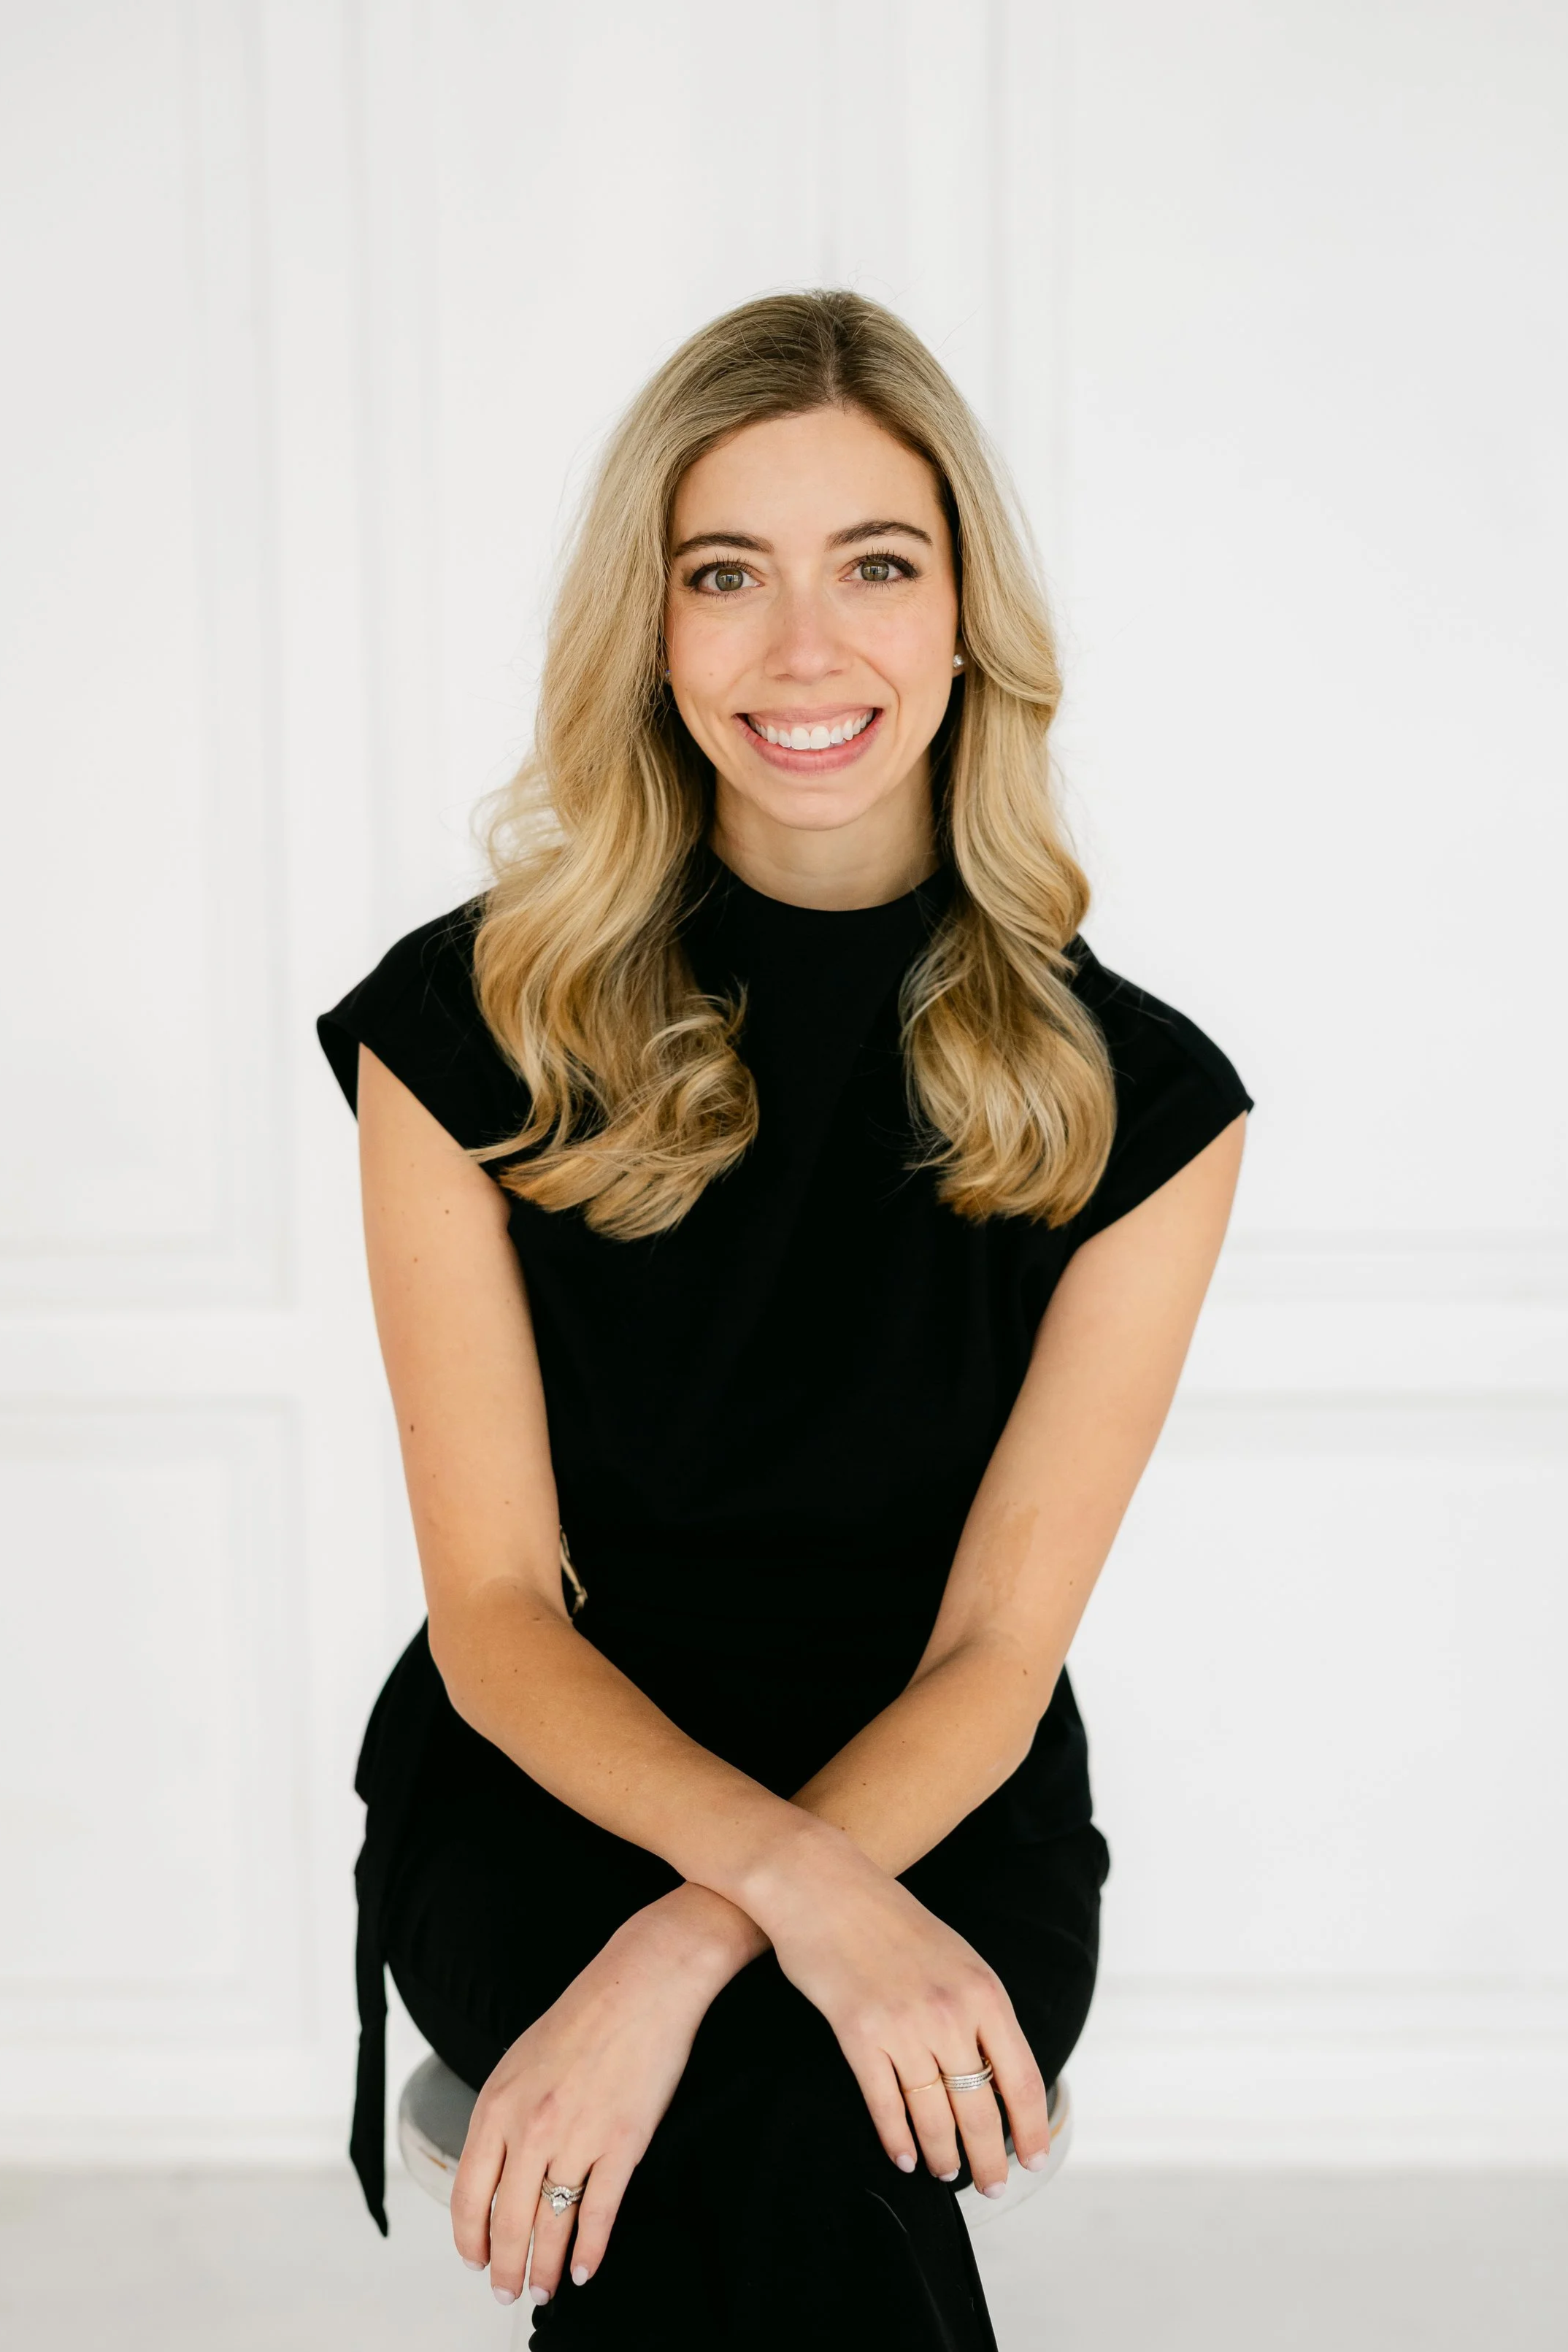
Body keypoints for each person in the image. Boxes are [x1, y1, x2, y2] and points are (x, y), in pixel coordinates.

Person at [316, 288, 1251, 2350]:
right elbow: (492, 1606)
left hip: (941, 1788)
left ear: (962, 620)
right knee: (779, 2132)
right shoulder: (457, 1031)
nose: (802, 648)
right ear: (645, 631)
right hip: (543, 1776)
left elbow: (1001, 1654)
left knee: (744, 2119)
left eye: (876, 567)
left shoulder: (1148, 1106)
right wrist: (769, 1912)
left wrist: (693, 1950)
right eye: (722, 573)